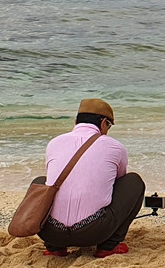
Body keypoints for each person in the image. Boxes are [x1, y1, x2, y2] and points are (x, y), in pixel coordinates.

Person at [34, 98, 146, 258]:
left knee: (39, 182)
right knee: (134, 182)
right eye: (109, 126)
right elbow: (119, 183)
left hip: (50, 232)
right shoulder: (114, 146)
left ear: (75, 121)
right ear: (104, 124)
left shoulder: (54, 143)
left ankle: (54, 248)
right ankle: (109, 246)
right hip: (94, 232)